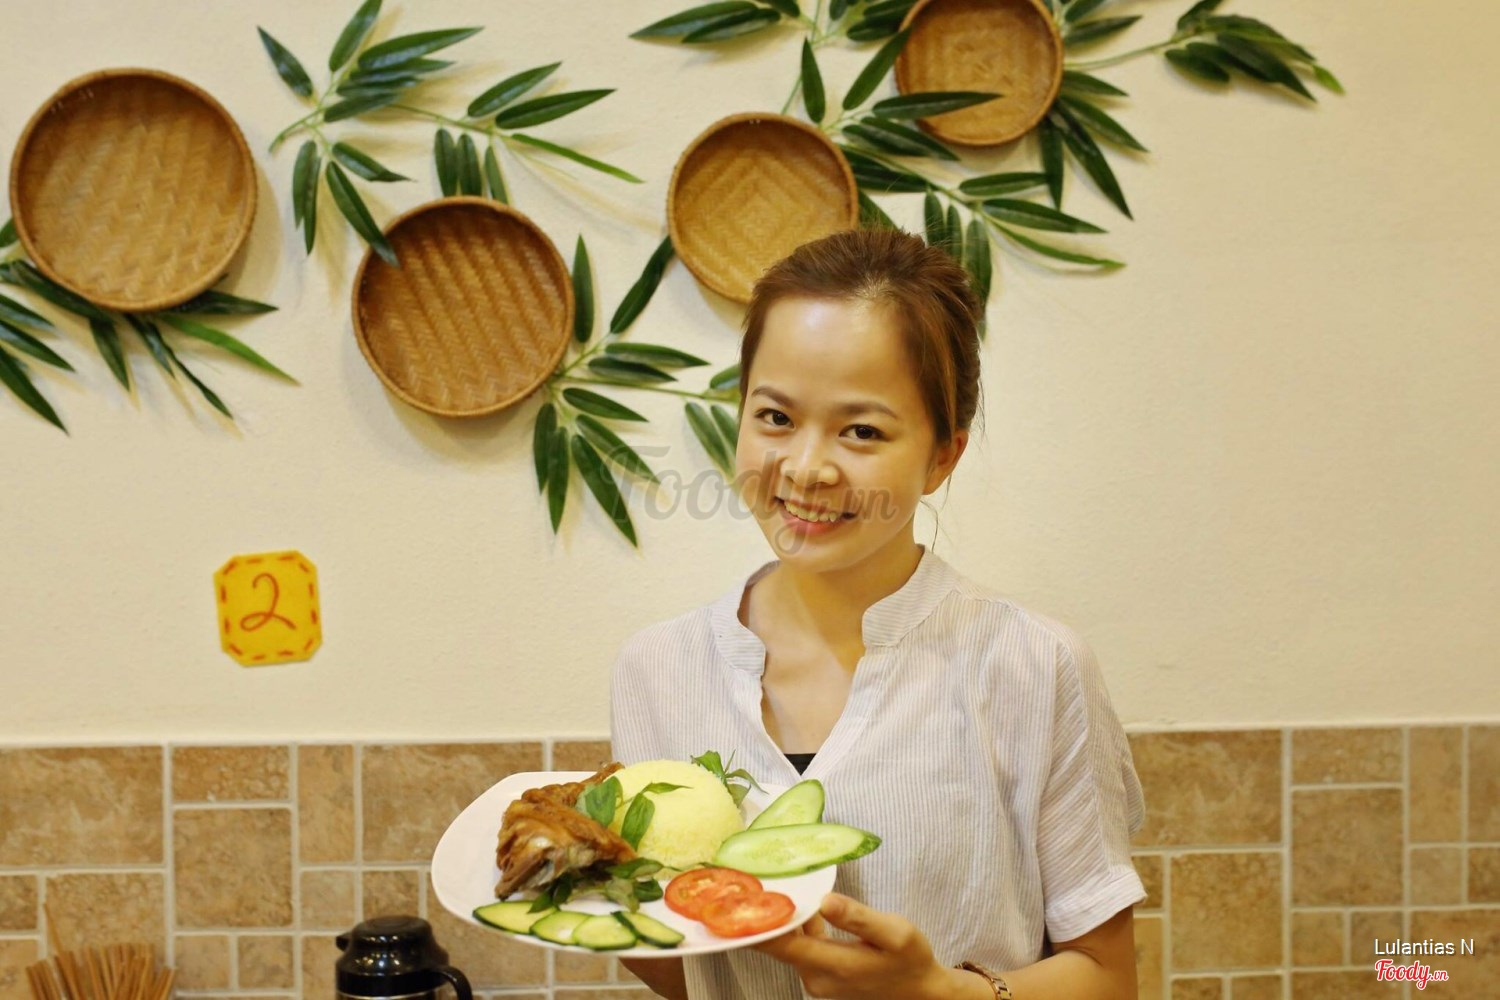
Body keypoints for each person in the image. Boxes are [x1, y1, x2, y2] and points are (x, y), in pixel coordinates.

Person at [610, 227, 1146, 1000]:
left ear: (942, 455)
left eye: (861, 431)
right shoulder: (656, 670)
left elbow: (1108, 978)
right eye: (775, 417)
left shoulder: (1033, 665)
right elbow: (682, 966)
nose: (806, 469)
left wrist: (941, 993)